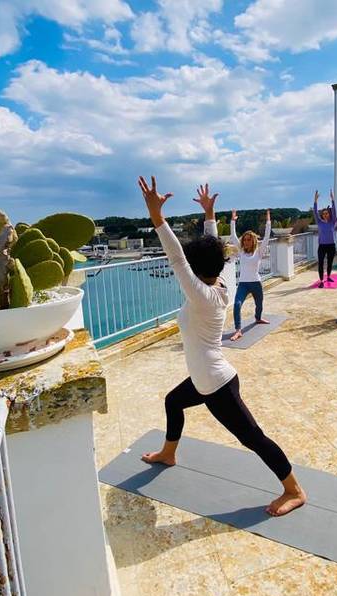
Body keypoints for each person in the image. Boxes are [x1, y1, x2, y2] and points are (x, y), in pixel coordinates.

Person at [136, 176, 306, 517]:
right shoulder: (219, 281)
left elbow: (177, 259)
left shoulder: (201, 296)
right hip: (206, 378)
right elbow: (211, 250)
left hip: (217, 385)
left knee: (253, 438)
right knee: (173, 401)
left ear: (196, 272)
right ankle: (169, 453)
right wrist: (210, 216)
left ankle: (294, 490)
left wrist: (158, 218)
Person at [229, 208, 272, 341]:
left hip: (256, 283)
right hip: (243, 284)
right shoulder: (240, 251)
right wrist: (232, 221)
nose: (246, 241)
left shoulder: (259, 252)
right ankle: (238, 330)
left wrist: (268, 222)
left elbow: (266, 238)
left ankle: (258, 318)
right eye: (245, 239)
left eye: (249, 239)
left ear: (253, 241)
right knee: (237, 305)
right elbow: (233, 236)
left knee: (259, 304)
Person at [313, 190, 337, 286]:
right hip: (322, 246)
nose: (325, 214)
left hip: (331, 246)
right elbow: (315, 212)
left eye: (327, 213)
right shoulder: (319, 222)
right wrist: (315, 201)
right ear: (322, 215)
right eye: (324, 214)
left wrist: (333, 200)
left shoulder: (332, 221)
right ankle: (322, 281)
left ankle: (329, 276)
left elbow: (334, 211)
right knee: (321, 263)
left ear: (329, 214)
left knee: (330, 262)